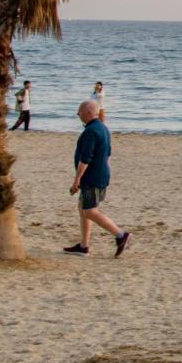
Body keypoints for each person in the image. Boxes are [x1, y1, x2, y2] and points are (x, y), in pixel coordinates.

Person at [64, 99, 131, 257]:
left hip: (92, 178)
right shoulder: (102, 128)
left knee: (89, 211)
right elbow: (108, 153)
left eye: (80, 111)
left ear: (88, 112)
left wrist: (76, 180)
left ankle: (121, 235)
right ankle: (84, 246)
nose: (78, 114)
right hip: (99, 175)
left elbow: (85, 159)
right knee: (83, 208)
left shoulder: (91, 131)